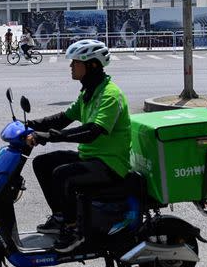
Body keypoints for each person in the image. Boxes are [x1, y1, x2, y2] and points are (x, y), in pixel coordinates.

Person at [25, 39, 131, 253]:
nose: (71, 66)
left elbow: (92, 132)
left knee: (62, 175)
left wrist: (50, 137)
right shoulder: (89, 93)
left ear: (91, 65)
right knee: (42, 163)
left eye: (75, 62)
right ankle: (61, 217)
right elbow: (63, 118)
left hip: (110, 164)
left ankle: (75, 232)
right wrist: (28, 125)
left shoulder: (110, 95)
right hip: (91, 158)